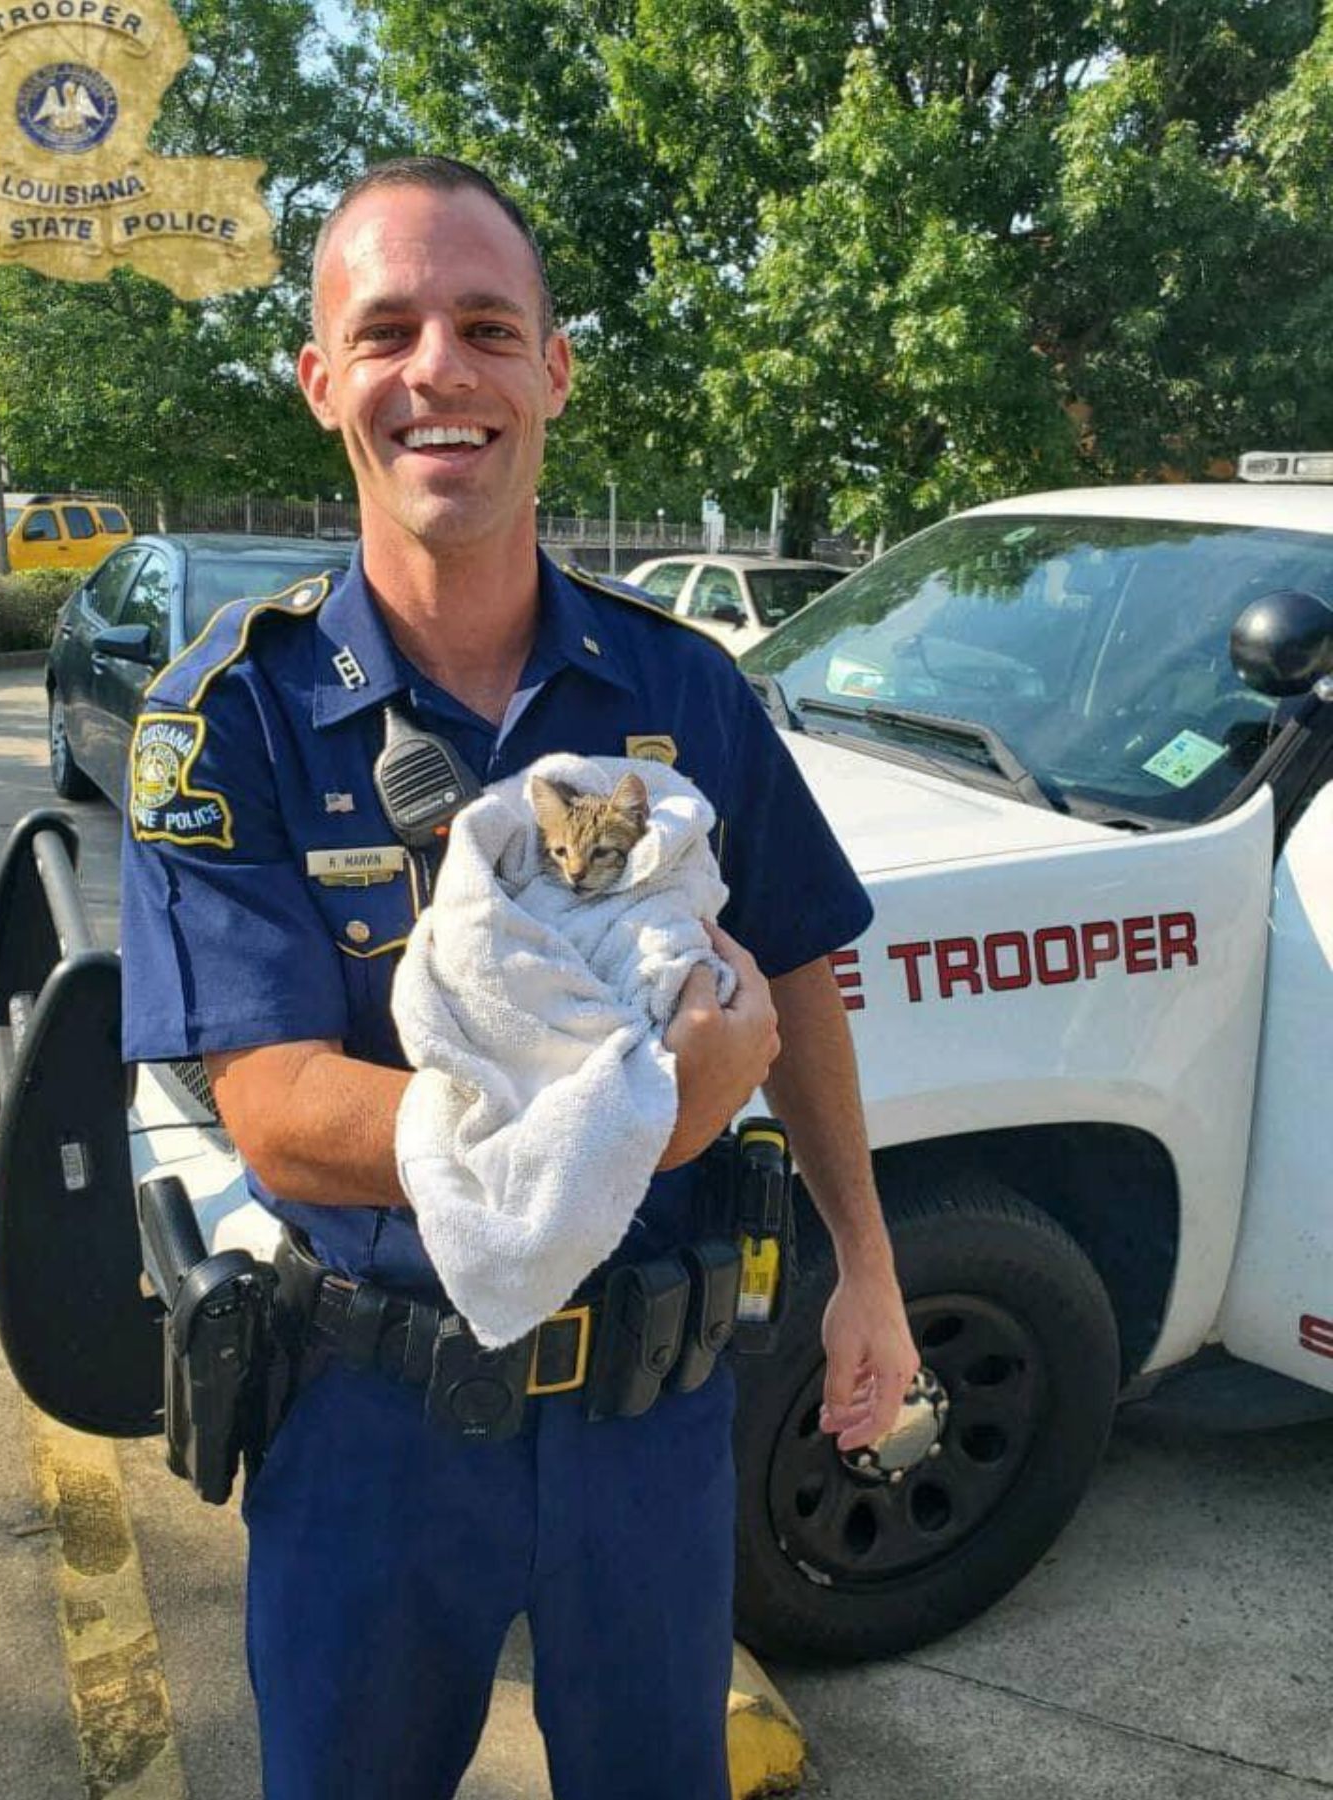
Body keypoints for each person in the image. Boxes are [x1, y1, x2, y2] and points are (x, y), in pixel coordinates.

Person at [119, 155, 917, 1800]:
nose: (441, 373)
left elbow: (800, 972)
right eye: (388, 327)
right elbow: (272, 1106)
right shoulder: (226, 721)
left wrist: (869, 1267)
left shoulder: (685, 692)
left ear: (551, 370)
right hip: (372, 1422)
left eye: (488, 325)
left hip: (654, 1422)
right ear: (321, 378)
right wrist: (646, 1112)